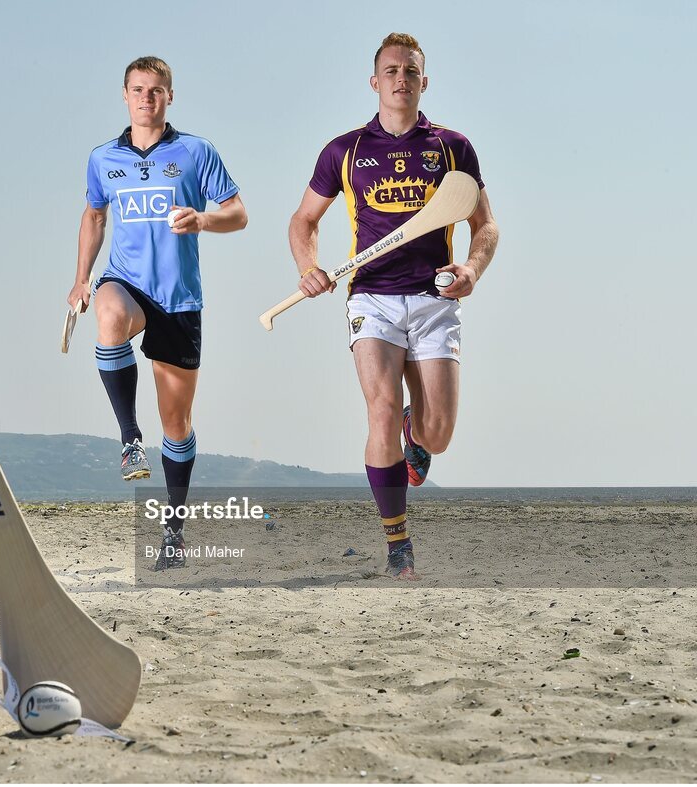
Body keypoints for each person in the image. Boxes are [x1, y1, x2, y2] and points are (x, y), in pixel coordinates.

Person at [288, 33, 499, 579]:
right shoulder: (346, 151)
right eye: (390, 70)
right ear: (374, 81)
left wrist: (471, 270)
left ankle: (417, 430)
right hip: (373, 297)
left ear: (423, 81)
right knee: (377, 408)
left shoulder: (453, 147)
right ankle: (397, 543)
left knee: (439, 437)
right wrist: (308, 268)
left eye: (410, 70)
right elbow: (303, 221)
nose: (400, 78)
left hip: (435, 300)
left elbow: (485, 225)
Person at [68, 56, 247, 569]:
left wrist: (204, 220)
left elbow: (239, 213)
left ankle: (174, 528)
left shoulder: (195, 152)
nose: (147, 98)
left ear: (170, 96)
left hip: (179, 299)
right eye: (138, 89)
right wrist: (81, 278)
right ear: (124, 95)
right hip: (126, 282)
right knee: (108, 318)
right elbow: (94, 214)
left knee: (178, 423)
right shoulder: (103, 159)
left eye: (157, 90)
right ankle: (129, 440)